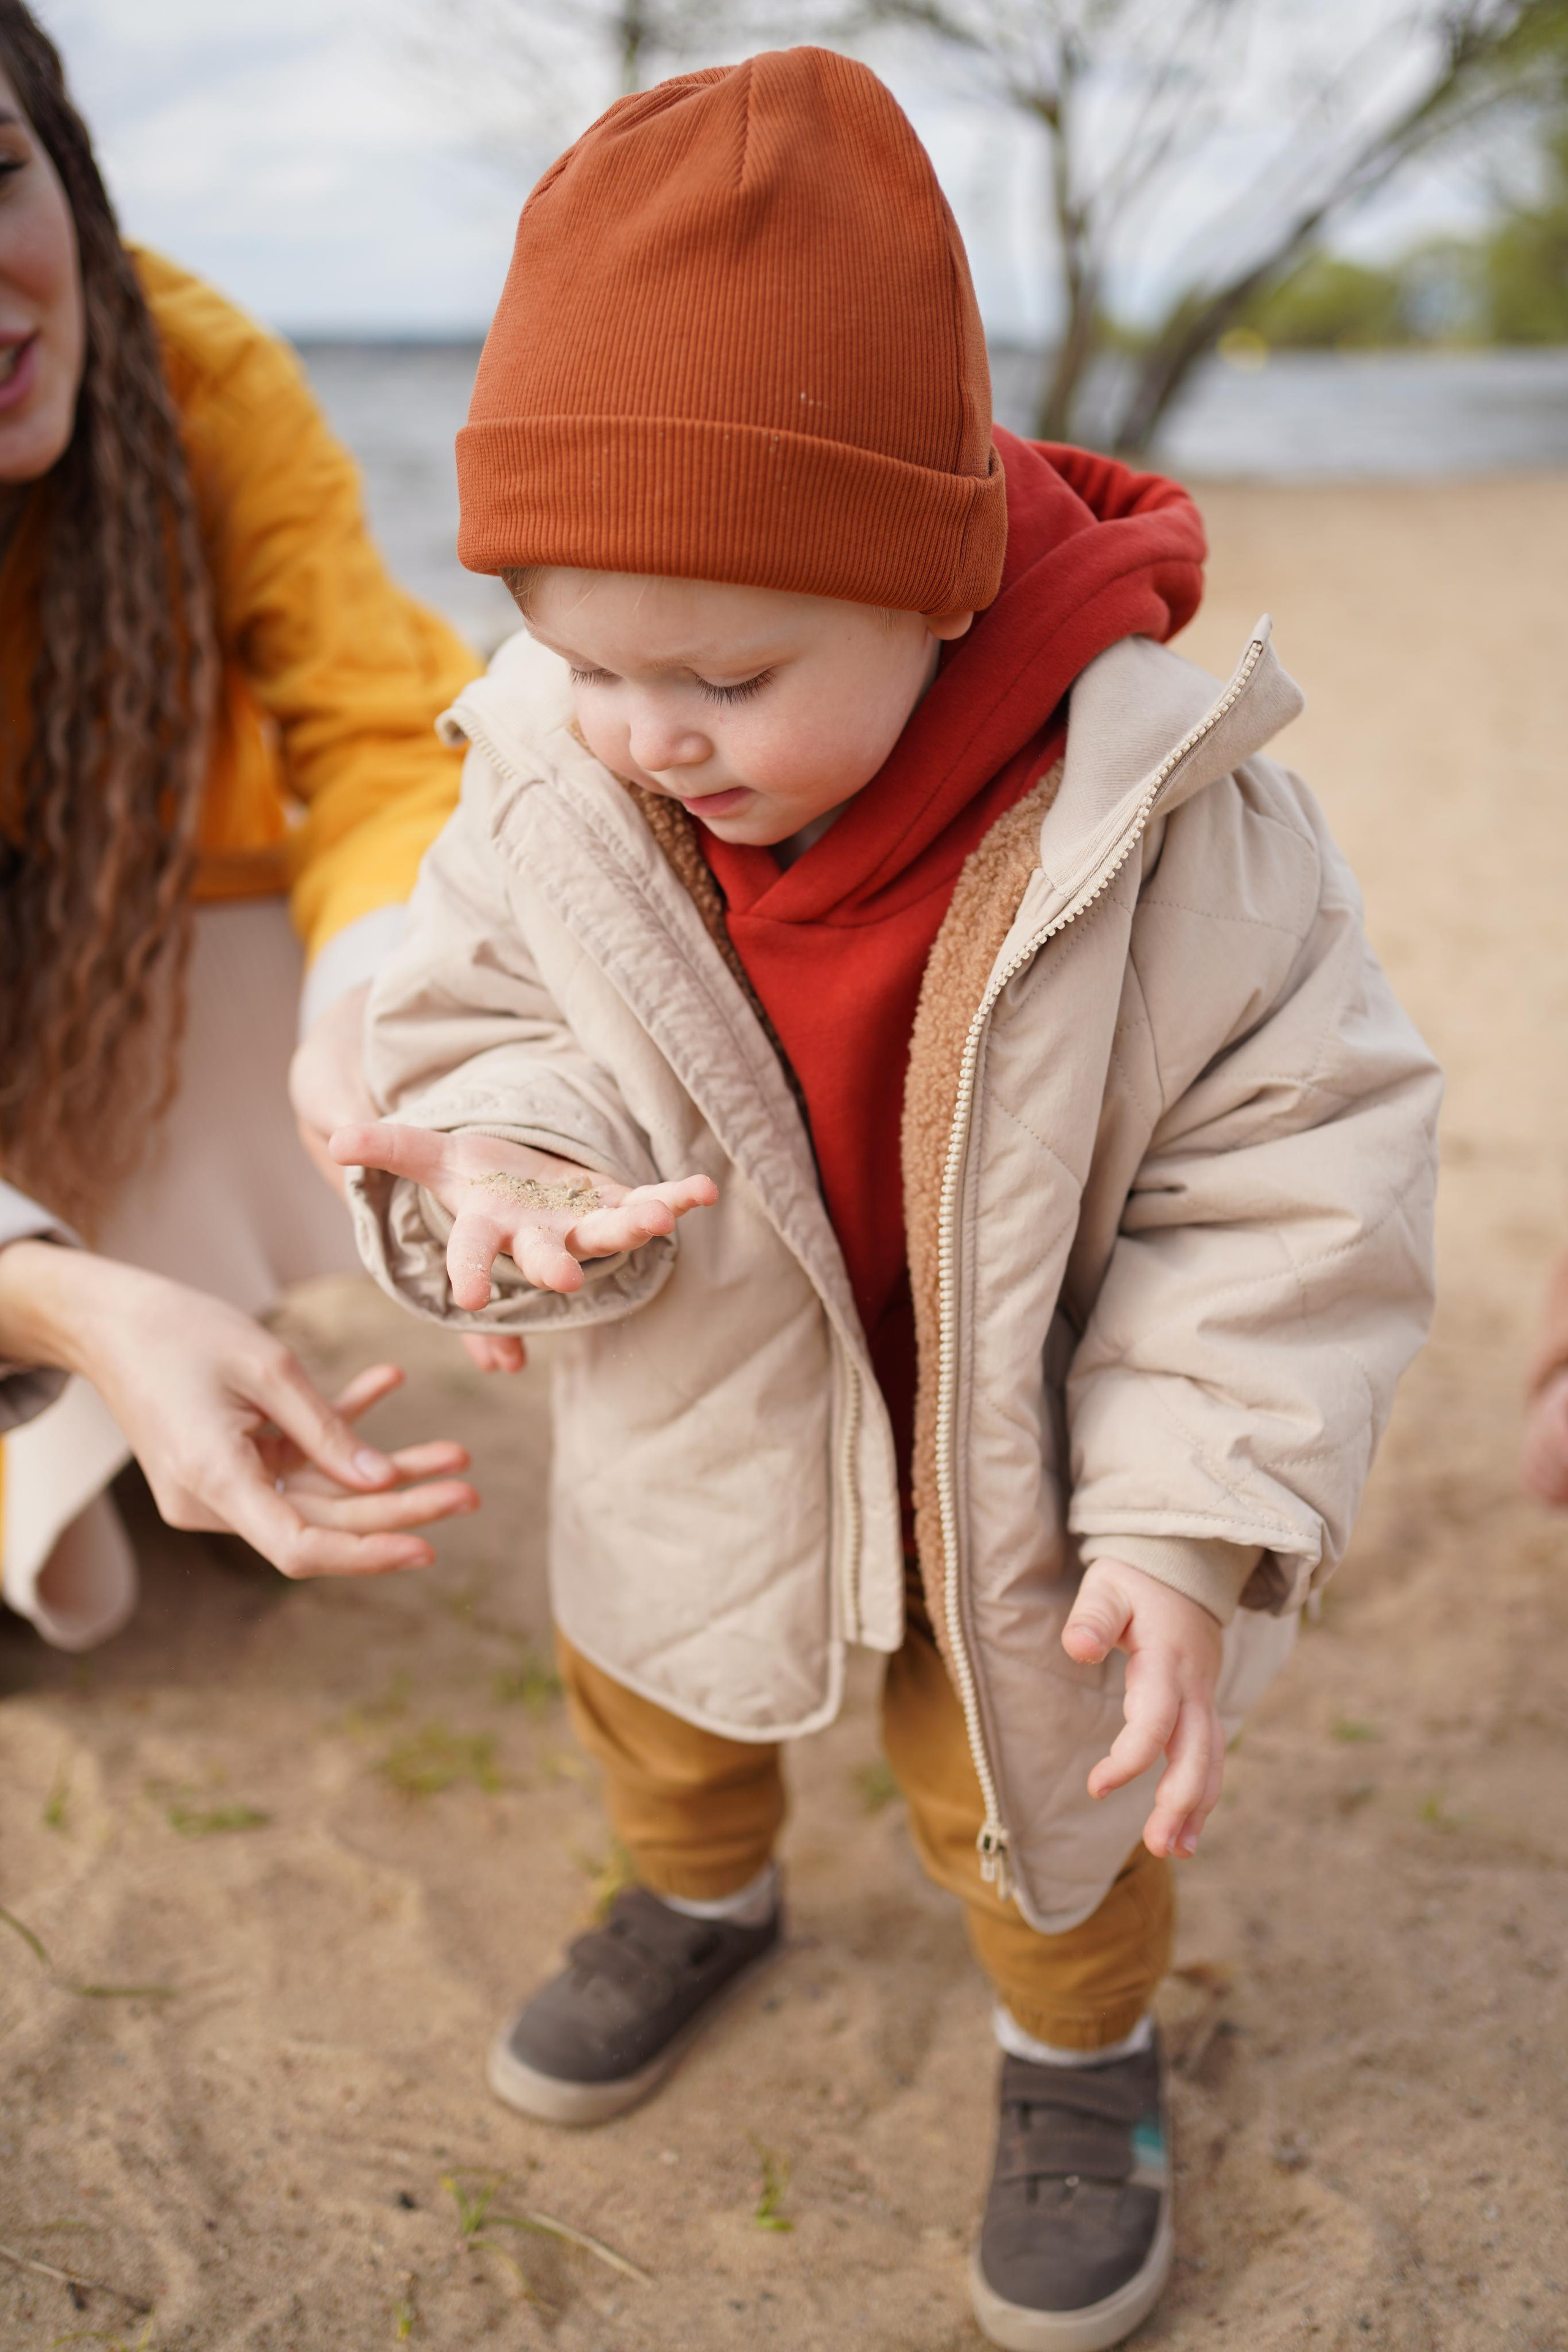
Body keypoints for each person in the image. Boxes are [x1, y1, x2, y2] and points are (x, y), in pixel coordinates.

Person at [337, 51, 1442, 2351]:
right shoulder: (559, 762)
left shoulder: (1175, 818)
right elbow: (468, 1014)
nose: (651, 729)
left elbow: (1290, 1171)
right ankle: (696, 1892)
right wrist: (503, 1171)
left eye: (728, 676)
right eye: (585, 653)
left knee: (1046, 1788)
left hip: (1021, 1447)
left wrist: (1187, 1512)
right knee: (654, 1666)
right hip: (710, 1373)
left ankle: (1081, 2056)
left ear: (932, 585)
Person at [0, 0, 483, 1654]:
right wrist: (58, 1302)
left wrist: (371, 1010)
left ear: (65, 160)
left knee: (422, 891)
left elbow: (376, 735)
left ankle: (164, 1353)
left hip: (134, 939)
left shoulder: (200, 376)